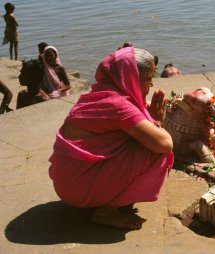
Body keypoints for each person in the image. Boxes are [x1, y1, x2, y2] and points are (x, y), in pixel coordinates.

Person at [48, 47, 174, 230]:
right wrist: (156, 122)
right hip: (78, 189)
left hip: (66, 180)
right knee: (157, 153)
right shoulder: (119, 105)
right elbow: (164, 143)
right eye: (147, 78)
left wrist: (150, 119)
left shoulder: (100, 93)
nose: (151, 84)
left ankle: (109, 196)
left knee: (143, 140)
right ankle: (107, 212)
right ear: (129, 78)